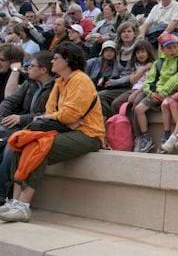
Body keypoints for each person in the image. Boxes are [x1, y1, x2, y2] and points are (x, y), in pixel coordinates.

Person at [0, 42, 104, 222]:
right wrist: (60, 117)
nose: (52, 62)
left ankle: (24, 206)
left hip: (88, 133)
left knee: (40, 146)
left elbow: (69, 115)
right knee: (20, 142)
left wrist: (60, 117)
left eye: (56, 58)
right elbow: (51, 113)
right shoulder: (59, 82)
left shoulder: (80, 80)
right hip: (68, 129)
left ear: (68, 60)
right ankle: (14, 201)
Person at [0, 51, 55, 202]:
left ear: (43, 70)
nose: (28, 68)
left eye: (31, 66)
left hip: (35, 129)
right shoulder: (29, 83)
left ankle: (2, 194)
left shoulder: (56, 87)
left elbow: (48, 113)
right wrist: (3, 117)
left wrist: (22, 118)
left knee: (10, 148)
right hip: (18, 126)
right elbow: (9, 101)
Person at [134, 34, 178, 153]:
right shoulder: (158, 63)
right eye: (169, 48)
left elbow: (177, 78)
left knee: (166, 105)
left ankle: (167, 134)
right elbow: (149, 80)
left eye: (174, 47)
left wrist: (164, 92)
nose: (173, 50)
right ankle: (146, 138)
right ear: (162, 49)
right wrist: (151, 93)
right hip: (157, 93)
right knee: (139, 109)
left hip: (170, 92)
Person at [110, 40, 155, 150]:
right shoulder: (136, 65)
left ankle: (142, 136)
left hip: (145, 90)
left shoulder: (154, 64)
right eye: (138, 52)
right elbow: (133, 81)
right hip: (134, 89)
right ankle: (126, 129)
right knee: (116, 103)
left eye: (143, 51)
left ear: (148, 52)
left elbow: (149, 83)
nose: (141, 55)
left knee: (135, 104)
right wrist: (144, 68)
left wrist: (136, 93)